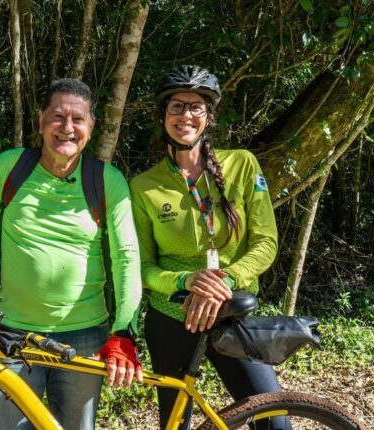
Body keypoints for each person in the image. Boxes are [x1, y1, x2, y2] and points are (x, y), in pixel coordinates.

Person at [0, 78, 143, 430]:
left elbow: (127, 258)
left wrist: (124, 330)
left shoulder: (105, 179)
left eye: (78, 119)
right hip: (11, 336)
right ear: (40, 121)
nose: (67, 128)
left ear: (91, 126)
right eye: (58, 116)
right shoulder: (10, 166)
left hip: (83, 338)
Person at [129, 65, 291, 430]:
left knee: (274, 423)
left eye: (196, 107)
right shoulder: (143, 186)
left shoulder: (242, 164)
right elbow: (143, 267)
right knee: (175, 425)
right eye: (176, 107)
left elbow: (265, 242)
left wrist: (224, 281)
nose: (185, 115)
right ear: (162, 115)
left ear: (209, 116)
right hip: (171, 317)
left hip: (232, 312)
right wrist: (188, 281)